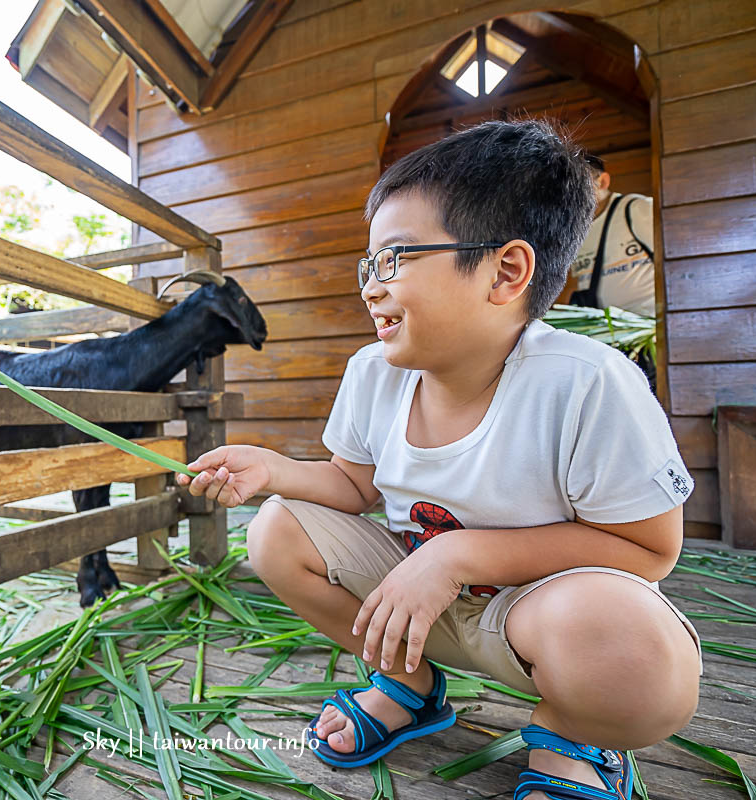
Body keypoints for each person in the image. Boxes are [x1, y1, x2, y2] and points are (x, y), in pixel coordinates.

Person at [177, 120, 701, 800]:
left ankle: (577, 733)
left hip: (538, 620)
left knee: (644, 665)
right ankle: (408, 682)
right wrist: (273, 470)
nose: (369, 288)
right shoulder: (373, 372)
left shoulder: (587, 382)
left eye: (395, 259)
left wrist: (455, 558)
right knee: (276, 529)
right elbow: (350, 485)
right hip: (419, 607)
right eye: (368, 266)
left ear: (505, 271)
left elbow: (649, 552)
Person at [558, 153, 655, 317]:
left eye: (575, 184)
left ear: (602, 182)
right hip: (606, 334)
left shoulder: (638, 209)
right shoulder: (572, 231)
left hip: (649, 331)